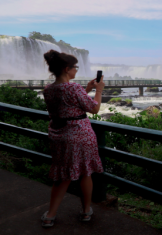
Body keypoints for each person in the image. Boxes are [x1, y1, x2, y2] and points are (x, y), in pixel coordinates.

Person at [40, 49, 105, 227]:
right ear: (67, 68)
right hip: (80, 135)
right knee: (85, 172)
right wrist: (98, 91)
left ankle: (50, 216)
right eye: (75, 67)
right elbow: (94, 109)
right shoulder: (73, 88)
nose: (77, 70)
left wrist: (87, 90)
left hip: (59, 135)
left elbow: (67, 105)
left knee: (62, 175)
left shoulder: (49, 89)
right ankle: (85, 212)